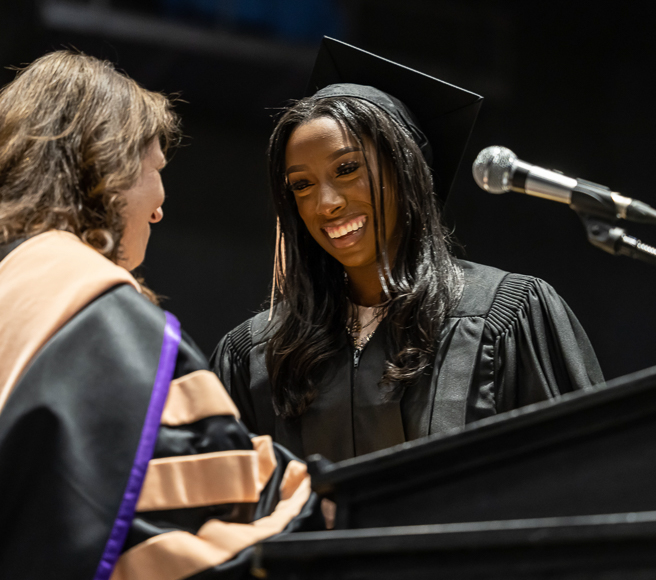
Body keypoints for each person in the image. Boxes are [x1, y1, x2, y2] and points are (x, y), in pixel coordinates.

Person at [0, 51, 318, 580]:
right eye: (156, 171)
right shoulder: (83, 308)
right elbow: (166, 508)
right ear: (106, 167)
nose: (159, 207)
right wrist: (297, 492)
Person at [212, 38, 604, 464]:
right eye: (302, 185)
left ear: (405, 170)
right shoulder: (255, 354)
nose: (325, 203)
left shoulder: (506, 317)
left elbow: (586, 479)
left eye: (347, 169)